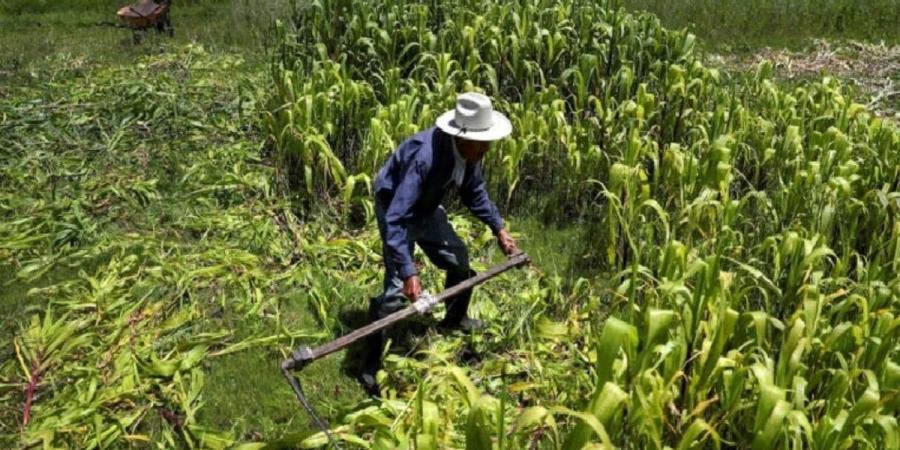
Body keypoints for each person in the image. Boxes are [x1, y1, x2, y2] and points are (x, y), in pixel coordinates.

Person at [360, 92, 520, 394]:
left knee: (459, 259)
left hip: (426, 207)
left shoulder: (469, 155)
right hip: (395, 206)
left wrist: (498, 228)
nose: (488, 147)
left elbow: (475, 192)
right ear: (462, 137)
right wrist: (409, 271)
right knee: (396, 290)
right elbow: (396, 217)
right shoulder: (426, 157)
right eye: (482, 141)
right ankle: (369, 366)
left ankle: (454, 320)